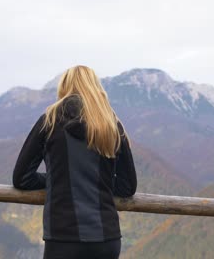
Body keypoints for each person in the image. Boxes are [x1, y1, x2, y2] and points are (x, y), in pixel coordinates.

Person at [12, 65, 137, 259]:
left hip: (63, 237)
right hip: (106, 239)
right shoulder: (111, 124)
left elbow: (21, 178)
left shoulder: (50, 120)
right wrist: (96, 182)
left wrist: (59, 180)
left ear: (64, 87)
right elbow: (127, 186)